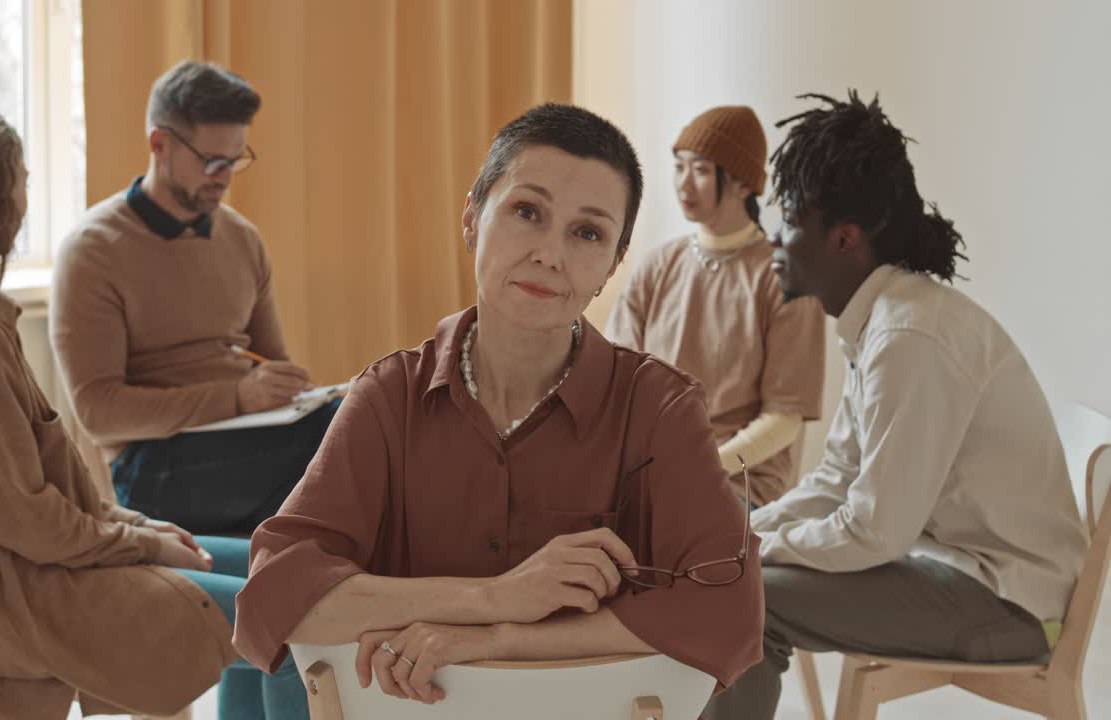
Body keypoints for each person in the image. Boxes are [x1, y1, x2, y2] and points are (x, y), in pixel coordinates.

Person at [232, 103, 763, 704]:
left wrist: (495, 638)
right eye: (527, 212)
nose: (549, 254)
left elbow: (729, 614)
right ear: (472, 218)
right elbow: (275, 596)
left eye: (587, 232)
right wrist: (495, 597)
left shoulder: (661, 409)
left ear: (612, 266)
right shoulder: (386, 396)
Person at [0, 104, 307, 720]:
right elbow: (28, 522)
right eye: (21, 177)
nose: (26, 193)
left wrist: (139, 528)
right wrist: (141, 546)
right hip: (42, 600)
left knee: (285, 570)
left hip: (34, 578)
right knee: (296, 624)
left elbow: (30, 497)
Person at [703, 91, 1089, 720]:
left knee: (742, 600)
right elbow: (838, 480)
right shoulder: (885, 321)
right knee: (737, 582)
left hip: (1012, 608)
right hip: (960, 572)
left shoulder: (909, 337)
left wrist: (755, 551)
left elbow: (873, 530)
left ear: (845, 239)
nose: (775, 237)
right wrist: (749, 534)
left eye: (792, 219)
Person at [51, 60, 334, 535]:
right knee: (347, 440)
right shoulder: (93, 250)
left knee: (370, 419)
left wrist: (293, 391)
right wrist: (237, 398)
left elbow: (273, 361)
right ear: (159, 144)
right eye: (211, 162)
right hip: (152, 465)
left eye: (236, 160)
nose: (224, 177)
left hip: (246, 439)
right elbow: (99, 412)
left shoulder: (241, 238)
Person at [605, 105, 825, 506]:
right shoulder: (658, 265)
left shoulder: (785, 278)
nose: (684, 184)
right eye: (679, 166)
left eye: (702, 170)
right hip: (648, 471)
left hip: (740, 484)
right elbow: (614, 381)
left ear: (743, 184)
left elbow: (784, 418)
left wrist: (698, 466)